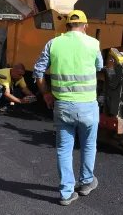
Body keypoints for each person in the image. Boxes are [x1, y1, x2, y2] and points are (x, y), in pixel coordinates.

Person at [33, 10, 102, 206]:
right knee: (89, 145)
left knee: (64, 149)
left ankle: (66, 193)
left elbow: (38, 71)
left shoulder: (53, 43)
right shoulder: (93, 43)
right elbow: (99, 66)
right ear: (85, 26)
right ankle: (87, 182)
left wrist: (46, 93)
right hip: (88, 104)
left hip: (62, 104)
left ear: (66, 26)